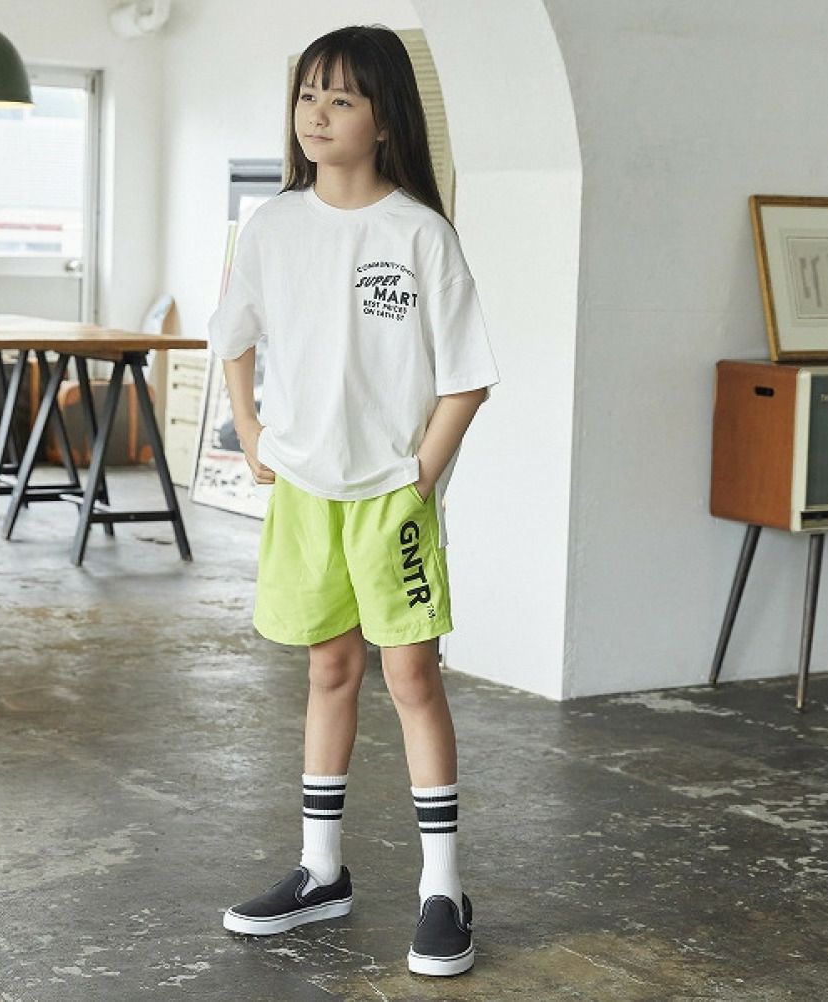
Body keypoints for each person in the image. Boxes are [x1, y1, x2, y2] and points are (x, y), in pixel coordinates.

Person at [208, 24, 499, 978]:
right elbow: (234, 334)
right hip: (305, 493)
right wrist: (251, 432)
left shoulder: (419, 232)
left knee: (412, 677)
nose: (317, 115)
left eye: (341, 99)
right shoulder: (273, 226)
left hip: (389, 498)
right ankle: (320, 871)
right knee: (328, 670)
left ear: (385, 120)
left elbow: (466, 378)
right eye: (307, 96)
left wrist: (422, 475)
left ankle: (443, 890)